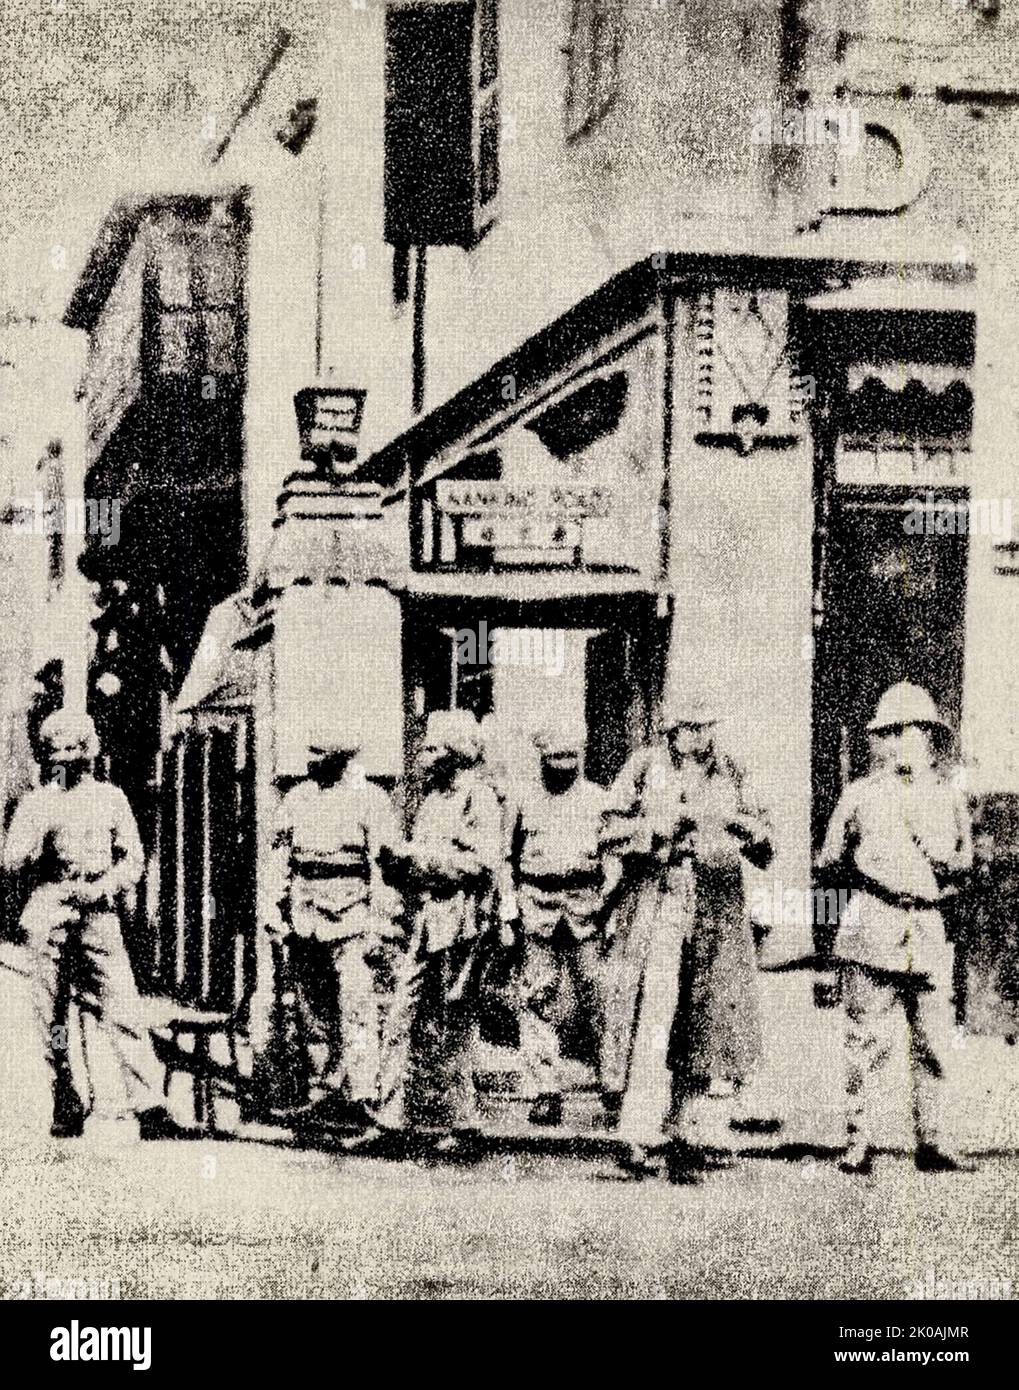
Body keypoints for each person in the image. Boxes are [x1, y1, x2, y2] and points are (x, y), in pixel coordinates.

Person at [600, 694, 772, 1173]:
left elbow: (765, 837)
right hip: (661, 898)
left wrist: (743, 827)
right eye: (688, 727)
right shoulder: (644, 767)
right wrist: (658, 827)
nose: (698, 736)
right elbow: (606, 828)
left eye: (705, 726)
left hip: (718, 904)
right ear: (669, 730)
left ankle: (686, 1128)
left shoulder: (732, 770)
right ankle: (636, 1131)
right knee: (655, 1011)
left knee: (706, 1016)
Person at [816, 682, 974, 1175]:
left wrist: (946, 865)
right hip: (872, 923)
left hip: (925, 927)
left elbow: (965, 862)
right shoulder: (859, 796)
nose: (907, 742)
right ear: (881, 740)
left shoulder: (949, 797)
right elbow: (827, 863)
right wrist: (828, 944)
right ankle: (858, 1141)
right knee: (865, 1043)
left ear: (931, 738)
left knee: (933, 1042)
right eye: (895, 733)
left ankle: (934, 1141)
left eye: (917, 732)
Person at [3, 710, 175, 1139]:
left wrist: (103, 888)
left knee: (123, 1007)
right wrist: (34, 846)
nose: (66, 764)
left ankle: (148, 1103)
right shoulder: (36, 803)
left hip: (98, 910)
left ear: (89, 753)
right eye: (57, 756)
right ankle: (66, 1095)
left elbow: (133, 858)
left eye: (75, 755)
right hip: (50, 907)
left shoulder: (111, 798)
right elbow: (12, 861)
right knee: (53, 1015)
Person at [379, 709, 505, 1154]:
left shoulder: (481, 799)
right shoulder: (432, 801)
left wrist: (420, 863)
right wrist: (399, 866)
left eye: (433, 748)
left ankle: (463, 1122)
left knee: (455, 1022)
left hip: (464, 925)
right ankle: (392, 1115)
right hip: (428, 923)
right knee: (401, 1014)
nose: (425, 755)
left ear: (455, 753)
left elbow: (483, 864)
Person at [273, 737, 403, 1138]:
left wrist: (382, 923)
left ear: (344, 757)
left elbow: (385, 870)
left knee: (357, 1010)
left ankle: (360, 1096)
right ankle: (322, 1090)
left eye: (321, 755)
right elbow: (280, 859)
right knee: (313, 1013)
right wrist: (274, 912)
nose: (312, 762)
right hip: (306, 919)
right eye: (308, 754)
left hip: (354, 920)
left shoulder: (371, 800)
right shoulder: (296, 799)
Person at [503, 723, 617, 1126]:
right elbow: (506, 858)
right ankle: (545, 1089)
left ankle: (613, 1085)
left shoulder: (599, 800)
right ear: (541, 759)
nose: (563, 767)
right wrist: (509, 910)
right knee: (537, 995)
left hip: (587, 907)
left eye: (571, 759)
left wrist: (608, 905)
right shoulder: (523, 798)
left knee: (599, 995)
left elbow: (613, 861)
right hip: (536, 904)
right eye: (555, 760)